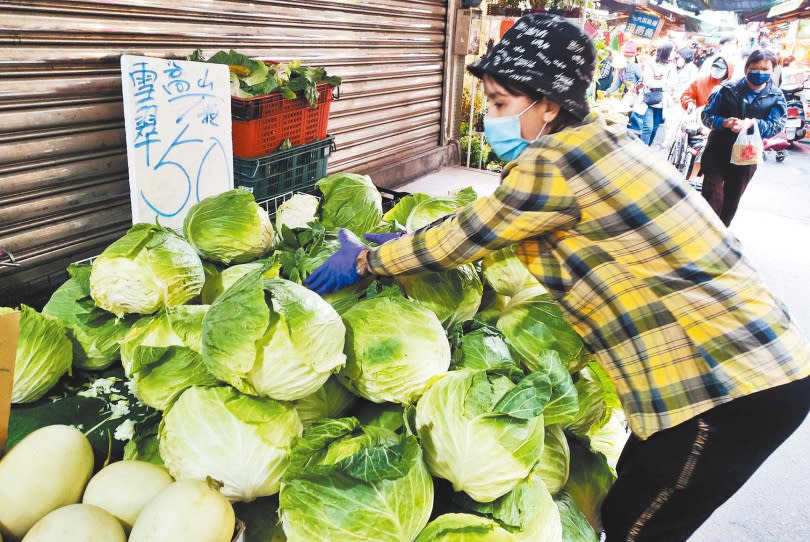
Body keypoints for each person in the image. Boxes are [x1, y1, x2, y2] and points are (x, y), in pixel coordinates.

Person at [306, 16, 810, 542]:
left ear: (547, 103)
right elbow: (493, 219)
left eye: (501, 104)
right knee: (630, 498)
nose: (490, 120)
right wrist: (404, 243)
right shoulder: (601, 142)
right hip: (745, 370)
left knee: (635, 528)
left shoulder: (553, 162)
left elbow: (469, 236)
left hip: (726, 387)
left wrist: (367, 261)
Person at [701, 49, 787, 226]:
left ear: (773, 71)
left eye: (765, 69)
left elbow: (777, 125)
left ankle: (721, 234)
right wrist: (724, 122)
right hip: (718, 149)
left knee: (732, 198)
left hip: (746, 154)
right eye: (755, 67)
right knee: (713, 194)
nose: (760, 72)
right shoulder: (725, 89)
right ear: (746, 68)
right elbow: (706, 116)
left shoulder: (776, 96)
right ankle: (703, 231)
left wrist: (753, 124)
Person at [640, 41, 676, 146]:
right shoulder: (650, 63)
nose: (673, 53)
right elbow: (648, 83)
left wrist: (657, 80)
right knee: (648, 127)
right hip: (649, 98)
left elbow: (672, 83)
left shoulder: (671, 66)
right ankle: (641, 150)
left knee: (655, 128)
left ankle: (647, 148)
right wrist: (663, 82)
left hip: (662, 101)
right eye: (672, 51)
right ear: (666, 52)